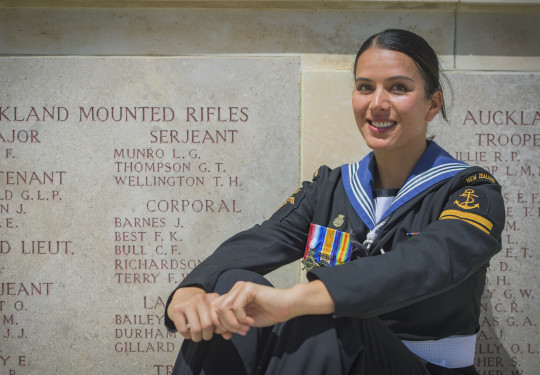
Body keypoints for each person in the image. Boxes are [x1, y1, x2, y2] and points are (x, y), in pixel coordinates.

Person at [164, 29, 505, 375]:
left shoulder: (470, 192)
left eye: (398, 87)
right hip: (330, 358)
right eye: (365, 87)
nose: (377, 103)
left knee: (326, 318)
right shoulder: (332, 187)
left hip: (424, 366)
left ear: (433, 104)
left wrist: (292, 301)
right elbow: (262, 240)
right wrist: (191, 291)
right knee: (227, 286)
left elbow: (425, 262)